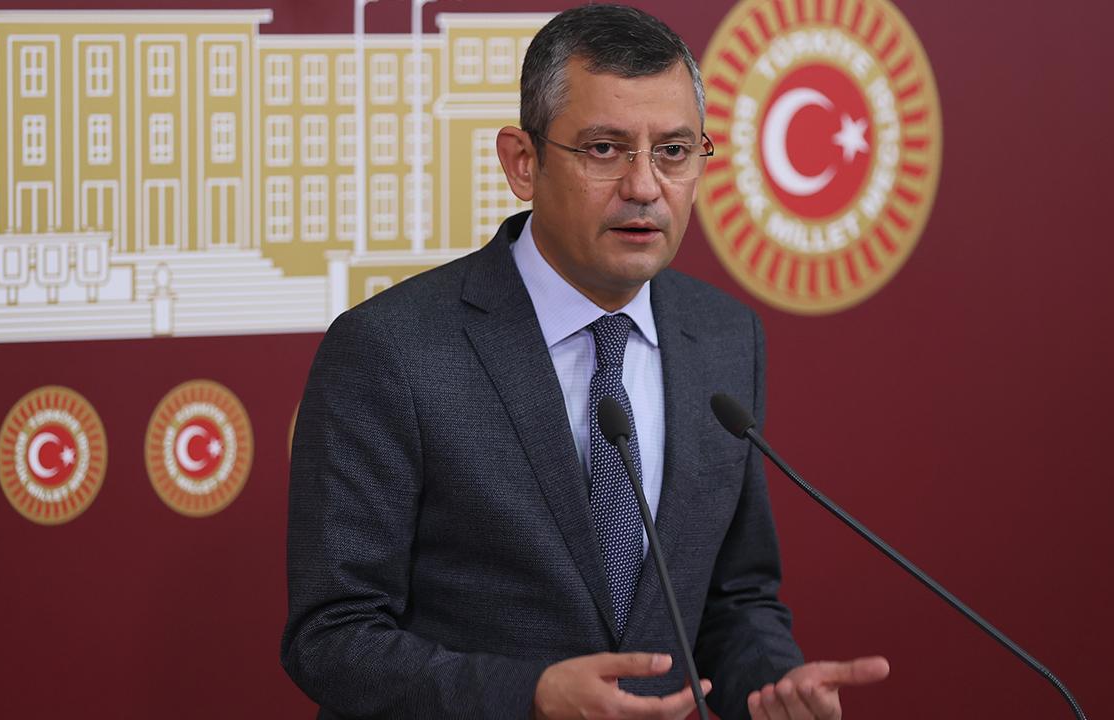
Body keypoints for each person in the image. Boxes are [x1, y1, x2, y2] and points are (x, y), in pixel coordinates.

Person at [282, 5, 888, 718]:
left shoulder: (725, 337)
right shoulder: (391, 350)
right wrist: (530, 698)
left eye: (673, 151)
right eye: (605, 149)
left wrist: (771, 686)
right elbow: (333, 637)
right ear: (523, 162)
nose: (644, 186)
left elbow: (734, 600)